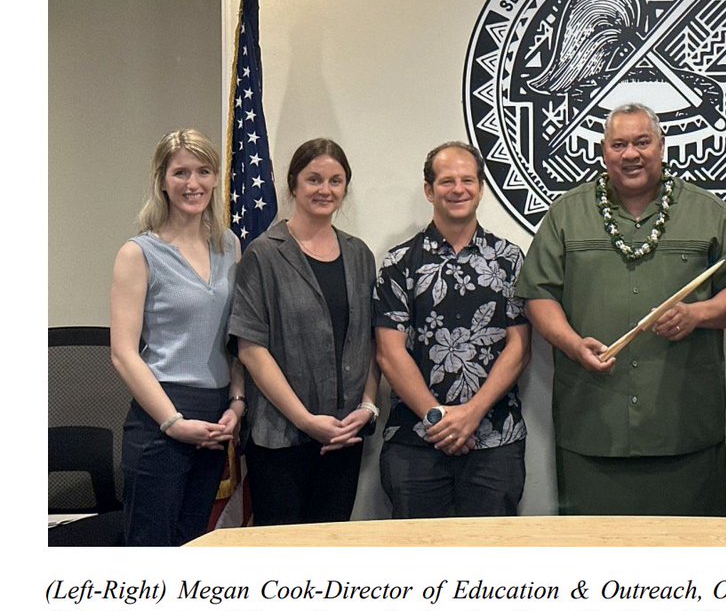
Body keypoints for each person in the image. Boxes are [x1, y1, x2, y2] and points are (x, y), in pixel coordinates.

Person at [517, 102, 726, 516]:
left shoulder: (708, 212)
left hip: (684, 429)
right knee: (594, 559)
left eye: (643, 142)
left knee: (690, 563)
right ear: (604, 152)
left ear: (662, 147)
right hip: (592, 427)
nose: (631, 154)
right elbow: (538, 295)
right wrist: (573, 345)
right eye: (619, 144)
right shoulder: (566, 214)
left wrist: (698, 314)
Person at [373, 142, 531, 518]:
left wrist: (472, 414)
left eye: (467, 180)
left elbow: (520, 347)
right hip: (415, 440)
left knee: (491, 562)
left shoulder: (510, 259)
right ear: (429, 190)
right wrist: (437, 418)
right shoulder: (399, 262)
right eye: (446, 181)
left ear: (481, 188)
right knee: (418, 563)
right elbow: (388, 353)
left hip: (495, 438)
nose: (458, 189)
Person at [229, 138, 380, 525]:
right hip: (280, 439)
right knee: (283, 559)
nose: (324, 190)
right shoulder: (263, 254)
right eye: (314, 179)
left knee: (331, 554)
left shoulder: (360, 254)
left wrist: (366, 406)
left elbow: (368, 340)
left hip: (345, 436)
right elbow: (250, 348)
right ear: (294, 184)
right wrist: (306, 420)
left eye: (335, 180)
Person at [110, 129, 243, 546]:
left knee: (193, 545)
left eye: (204, 171)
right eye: (181, 172)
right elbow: (123, 354)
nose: (193, 183)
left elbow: (235, 337)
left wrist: (237, 402)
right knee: (152, 552)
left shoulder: (229, 246)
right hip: (161, 416)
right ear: (162, 180)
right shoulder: (139, 253)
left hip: (215, 416)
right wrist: (172, 422)